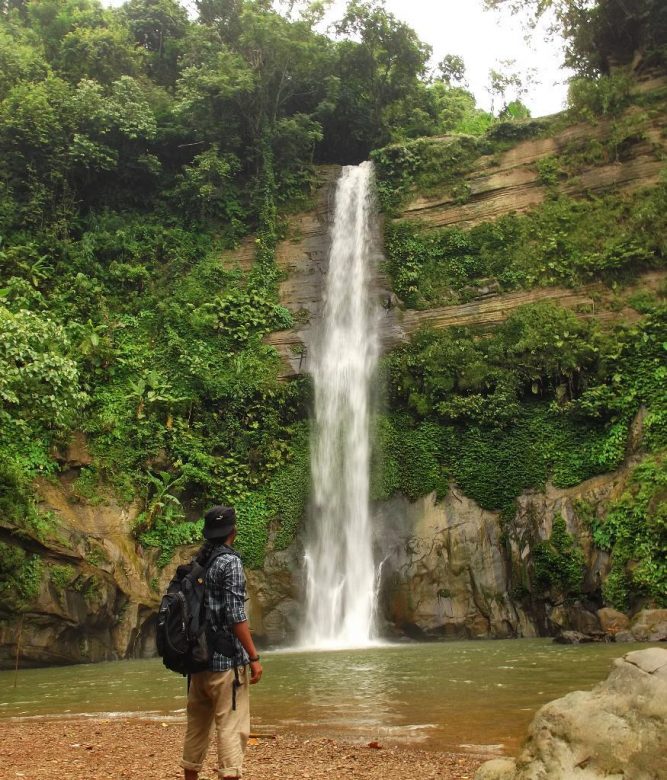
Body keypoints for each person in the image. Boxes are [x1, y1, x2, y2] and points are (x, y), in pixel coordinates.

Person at [181, 505, 263, 780]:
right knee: (230, 725)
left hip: (197, 661)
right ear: (233, 532)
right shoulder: (230, 563)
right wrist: (253, 656)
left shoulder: (200, 562)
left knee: (196, 726)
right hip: (225, 663)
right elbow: (235, 615)